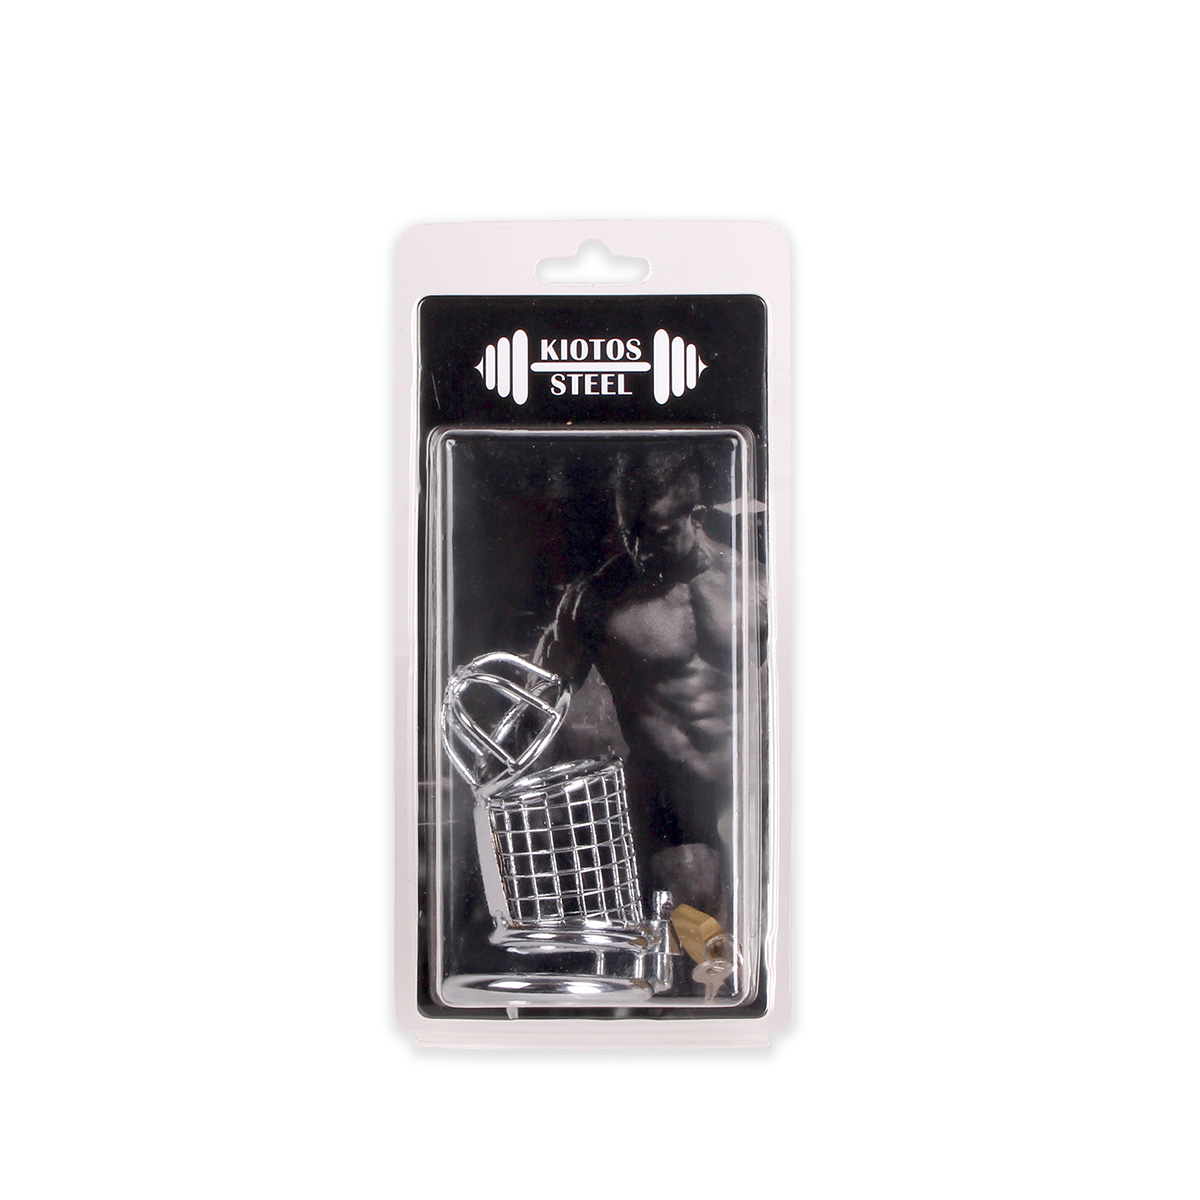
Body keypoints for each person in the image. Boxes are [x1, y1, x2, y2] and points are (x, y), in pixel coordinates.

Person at [535, 446, 764, 924]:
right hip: (672, 800)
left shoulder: (758, 588)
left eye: (656, 535)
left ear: (697, 517)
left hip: (752, 787)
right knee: (700, 932)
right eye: (629, 534)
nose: (640, 551)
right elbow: (542, 703)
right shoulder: (595, 602)